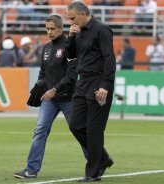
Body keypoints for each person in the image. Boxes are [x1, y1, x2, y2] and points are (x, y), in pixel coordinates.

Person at [13, 14, 84, 179]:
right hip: (50, 100)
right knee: (40, 131)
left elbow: (72, 74)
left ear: (61, 28)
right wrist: (39, 85)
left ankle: (96, 164)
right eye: (47, 29)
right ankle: (31, 170)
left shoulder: (69, 46)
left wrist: (55, 89)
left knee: (80, 132)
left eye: (53, 29)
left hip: (69, 98)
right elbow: (43, 72)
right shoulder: (46, 48)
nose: (49, 32)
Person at [66, 1, 115, 182]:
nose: (70, 21)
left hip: (98, 82)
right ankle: (103, 158)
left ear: (83, 14)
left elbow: (109, 59)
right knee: (75, 125)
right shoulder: (77, 32)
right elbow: (70, 55)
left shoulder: (102, 30)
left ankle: (93, 172)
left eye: (72, 18)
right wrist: (70, 37)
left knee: (94, 130)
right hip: (82, 82)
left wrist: (105, 85)